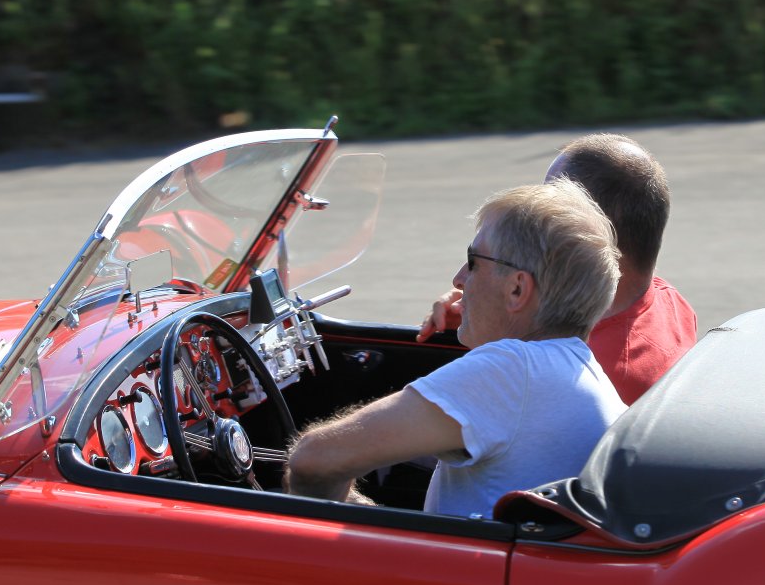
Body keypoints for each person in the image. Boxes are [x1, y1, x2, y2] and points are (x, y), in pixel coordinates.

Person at [288, 178, 626, 518]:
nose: (458, 278)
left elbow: (314, 459)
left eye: (473, 261)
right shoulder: (575, 371)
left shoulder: (512, 369)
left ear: (517, 289)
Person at [419, 133, 697, 404]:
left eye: (552, 205)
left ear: (588, 237)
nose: (537, 211)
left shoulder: (580, 372)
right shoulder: (668, 299)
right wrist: (491, 303)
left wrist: (494, 325)